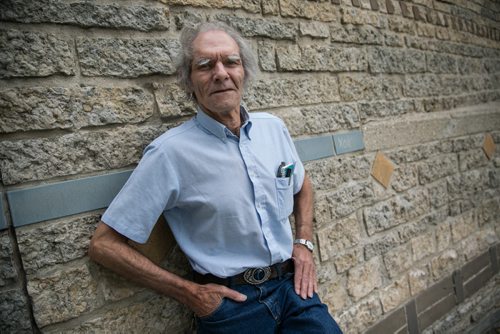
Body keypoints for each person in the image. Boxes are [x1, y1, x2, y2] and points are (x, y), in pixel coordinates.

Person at [89, 21, 342, 334]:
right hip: (233, 309)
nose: (221, 72)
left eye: (231, 62)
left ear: (243, 72)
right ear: (189, 81)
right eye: (205, 65)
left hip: (294, 292)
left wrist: (303, 243)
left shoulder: (273, 129)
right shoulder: (170, 153)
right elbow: (104, 245)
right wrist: (191, 294)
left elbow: (301, 184)